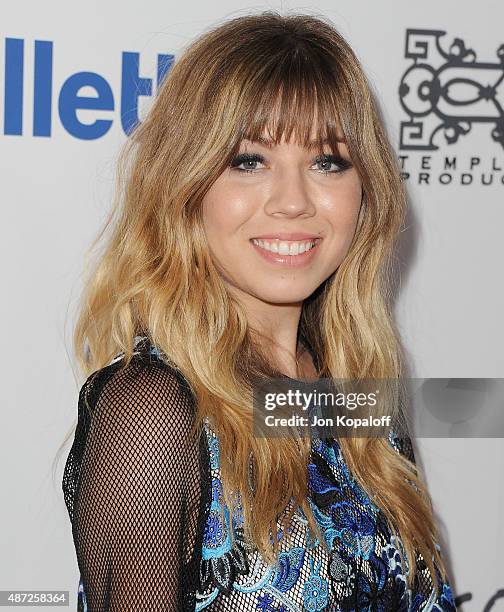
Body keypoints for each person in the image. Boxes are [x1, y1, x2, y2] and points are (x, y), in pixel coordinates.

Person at [61, 10, 458, 611]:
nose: (294, 201)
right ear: (185, 186)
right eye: (250, 161)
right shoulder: (153, 412)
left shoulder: (354, 396)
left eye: (328, 161)